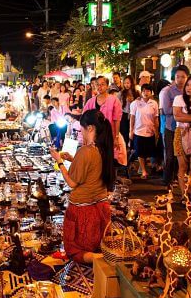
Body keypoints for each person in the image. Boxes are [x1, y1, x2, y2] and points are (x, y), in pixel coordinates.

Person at [50, 109, 114, 263]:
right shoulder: (103, 148)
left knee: (74, 251)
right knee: (96, 244)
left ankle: (104, 259)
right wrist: (73, 159)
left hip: (83, 211)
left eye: (82, 129)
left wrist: (59, 160)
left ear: (90, 128)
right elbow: (93, 168)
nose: (81, 133)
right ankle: (105, 255)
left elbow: (72, 183)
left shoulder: (86, 151)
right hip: (99, 207)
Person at [159, 65, 189, 187]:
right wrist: (182, 110)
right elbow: (166, 110)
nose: (181, 79)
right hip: (170, 127)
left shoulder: (188, 90)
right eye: (178, 76)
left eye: (183, 77)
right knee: (170, 155)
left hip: (185, 128)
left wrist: (178, 109)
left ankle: (178, 179)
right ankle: (167, 180)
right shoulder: (167, 91)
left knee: (181, 155)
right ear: (174, 77)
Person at [130, 84, 159, 179]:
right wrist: (131, 130)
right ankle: (143, 171)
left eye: (148, 91)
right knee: (140, 151)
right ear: (141, 92)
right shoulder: (136, 103)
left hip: (150, 131)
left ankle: (143, 167)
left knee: (148, 151)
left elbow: (156, 118)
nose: (146, 93)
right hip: (138, 131)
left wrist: (156, 131)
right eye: (144, 91)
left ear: (151, 92)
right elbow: (132, 117)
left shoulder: (154, 103)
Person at [83, 76, 122, 145]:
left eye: (102, 84)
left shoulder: (114, 100)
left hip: (109, 135)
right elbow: (84, 118)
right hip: (94, 136)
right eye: (97, 84)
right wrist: (85, 137)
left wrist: (116, 136)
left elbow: (117, 120)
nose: (99, 87)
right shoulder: (90, 101)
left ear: (107, 86)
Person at [120, 75, 139, 149]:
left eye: (128, 83)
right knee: (124, 134)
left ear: (132, 83)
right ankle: (125, 150)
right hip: (124, 115)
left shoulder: (137, 92)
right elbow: (118, 104)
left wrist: (133, 101)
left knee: (133, 133)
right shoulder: (121, 93)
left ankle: (132, 150)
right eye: (125, 83)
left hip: (134, 115)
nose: (126, 85)